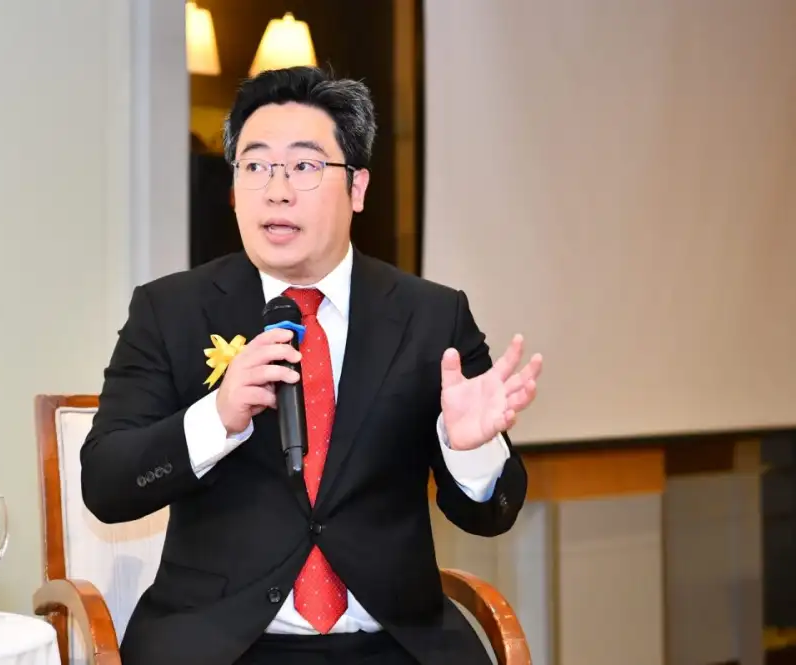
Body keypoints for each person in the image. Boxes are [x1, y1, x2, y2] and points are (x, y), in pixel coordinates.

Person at [81, 66, 543, 665]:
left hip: (392, 644)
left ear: (357, 188)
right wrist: (217, 417)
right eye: (255, 166)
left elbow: (493, 516)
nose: (276, 191)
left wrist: (469, 450)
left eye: (303, 166)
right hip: (224, 647)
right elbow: (107, 486)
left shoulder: (432, 317)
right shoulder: (170, 310)